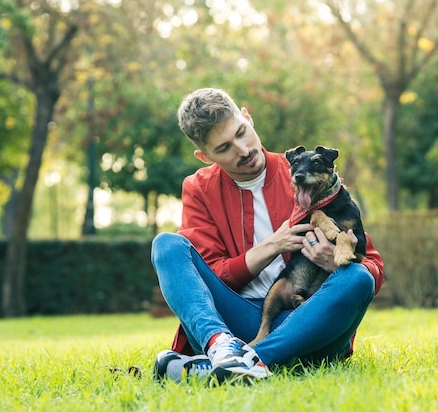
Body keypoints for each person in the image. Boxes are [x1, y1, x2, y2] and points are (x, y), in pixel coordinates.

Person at [151, 88, 384, 384]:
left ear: (248, 117)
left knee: (358, 277)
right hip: (236, 323)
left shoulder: (306, 173)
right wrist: (270, 247)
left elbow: (375, 268)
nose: (243, 150)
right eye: (224, 148)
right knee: (166, 245)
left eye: (242, 132)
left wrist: (336, 262)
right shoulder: (199, 189)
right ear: (204, 155)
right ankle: (221, 349)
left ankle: (245, 361)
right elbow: (206, 279)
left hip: (309, 322)